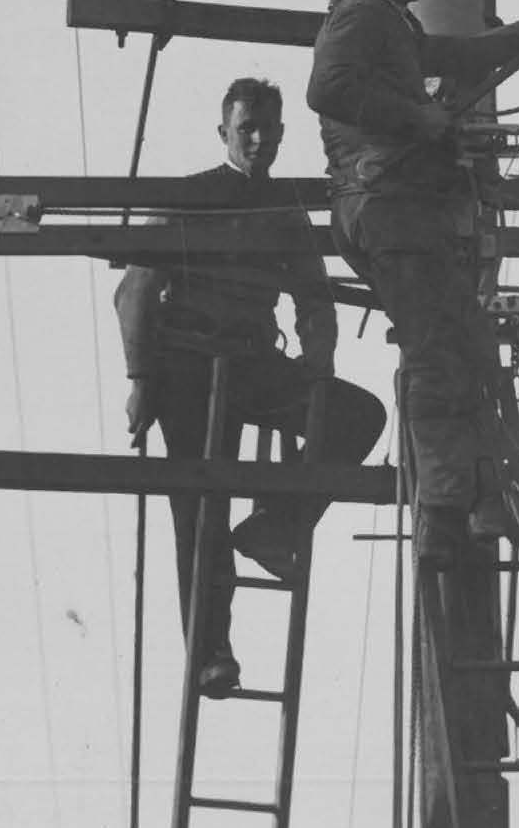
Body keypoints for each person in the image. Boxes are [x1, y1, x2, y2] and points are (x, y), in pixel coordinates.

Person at [306, 0, 519, 564]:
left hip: (401, 211)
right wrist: (418, 118)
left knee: (467, 352)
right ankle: (444, 518)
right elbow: (326, 87)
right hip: (382, 206)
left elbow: (470, 54)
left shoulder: (396, 25)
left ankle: (493, 503)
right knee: (440, 354)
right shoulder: (359, 12)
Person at [116, 76, 387, 697]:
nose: (259, 140)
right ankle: (211, 651)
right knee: (201, 508)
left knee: (354, 415)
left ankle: (277, 522)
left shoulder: (284, 214)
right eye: (247, 129)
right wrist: (140, 380)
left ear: (283, 134)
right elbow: (134, 291)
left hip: (254, 364)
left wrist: (317, 371)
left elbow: (316, 301)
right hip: (186, 368)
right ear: (224, 134)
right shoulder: (186, 197)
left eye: (269, 130)